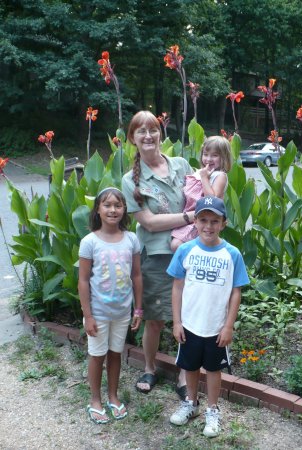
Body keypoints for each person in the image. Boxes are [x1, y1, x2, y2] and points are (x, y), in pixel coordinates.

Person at [122, 110, 194, 398]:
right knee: (155, 320)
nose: (148, 136)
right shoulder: (131, 181)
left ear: (160, 133)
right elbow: (149, 222)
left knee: (188, 317)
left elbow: (198, 195)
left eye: (153, 129)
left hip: (189, 253)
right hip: (156, 258)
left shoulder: (181, 164)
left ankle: (183, 374)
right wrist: (190, 218)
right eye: (141, 131)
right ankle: (150, 368)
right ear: (132, 139)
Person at [167, 196, 249, 438]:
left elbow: (236, 292)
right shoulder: (185, 250)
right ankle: (190, 404)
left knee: (213, 370)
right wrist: (177, 321)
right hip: (190, 325)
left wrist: (228, 326)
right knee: (190, 367)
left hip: (216, 327)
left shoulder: (232, 254)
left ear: (224, 223)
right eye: (203, 220)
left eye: (215, 221)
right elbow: (177, 287)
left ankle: (212, 410)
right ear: (195, 220)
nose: (209, 226)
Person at [78, 187, 143, 424]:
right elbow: (83, 281)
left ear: (124, 209)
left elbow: (136, 275)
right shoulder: (89, 242)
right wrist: (88, 315)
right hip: (98, 312)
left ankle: (113, 396)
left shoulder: (131, 239)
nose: (112, 210)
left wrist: (138, 309)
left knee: (115, 354)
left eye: (117, 205)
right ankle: (95, 400)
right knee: (97, 356)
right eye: (107, 205)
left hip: (122, 311)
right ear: (98, 209)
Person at [171, 135, 232, 251]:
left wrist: (204, 178)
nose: (208, 159)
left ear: (224, 158)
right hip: (188, 217)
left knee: (176, 245)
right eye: (205, 154)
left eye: (214, 155)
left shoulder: (220, 176)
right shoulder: (200, 172)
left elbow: (211, 200)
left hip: (203, 219)